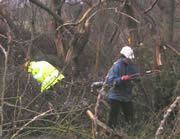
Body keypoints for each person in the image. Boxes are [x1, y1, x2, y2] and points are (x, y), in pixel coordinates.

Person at [107, 46, 138, 129]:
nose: (129, 61)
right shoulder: (116, 66)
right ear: (123, 57)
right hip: (116, 96)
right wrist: (121, 79)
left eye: (130, 59)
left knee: (130, 117)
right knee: (113, 118)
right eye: (128, 59)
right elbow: (110, 81)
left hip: (126, 96)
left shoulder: (131, 65)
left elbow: (135, 75)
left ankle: (130, 132)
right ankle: (109, 133)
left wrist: (136, 78)